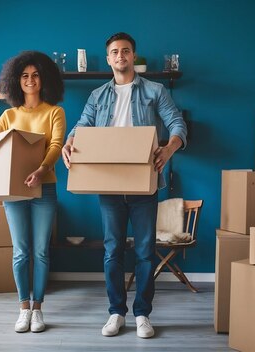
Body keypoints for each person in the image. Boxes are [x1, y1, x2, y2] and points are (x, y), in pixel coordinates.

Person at [62, 32, 187, 338]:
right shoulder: (97, 95)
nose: (120, 56)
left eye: (126, 51)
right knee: (112, 251)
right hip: (108, 184)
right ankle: (116, 312)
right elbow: (82, 125)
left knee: (145, 252)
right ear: (109, 59)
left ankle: (142, 314)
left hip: (144, 183)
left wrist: (169, 149)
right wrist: (69, 141)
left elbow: (177, 123)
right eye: (115, 52)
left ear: (134, 56)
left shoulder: (155, 90)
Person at [0, 51, 65, 333]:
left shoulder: (55, 111)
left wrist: (43, 169)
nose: (30, 80)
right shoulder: (9, 115)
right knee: (21, 252)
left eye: (35, 75)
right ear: (16, 81)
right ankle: (23, 308)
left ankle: (38, 309)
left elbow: (56, 145)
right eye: (24, 76)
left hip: (44, 188)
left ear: (43, 79)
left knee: (41, 251)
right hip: (13, 192)